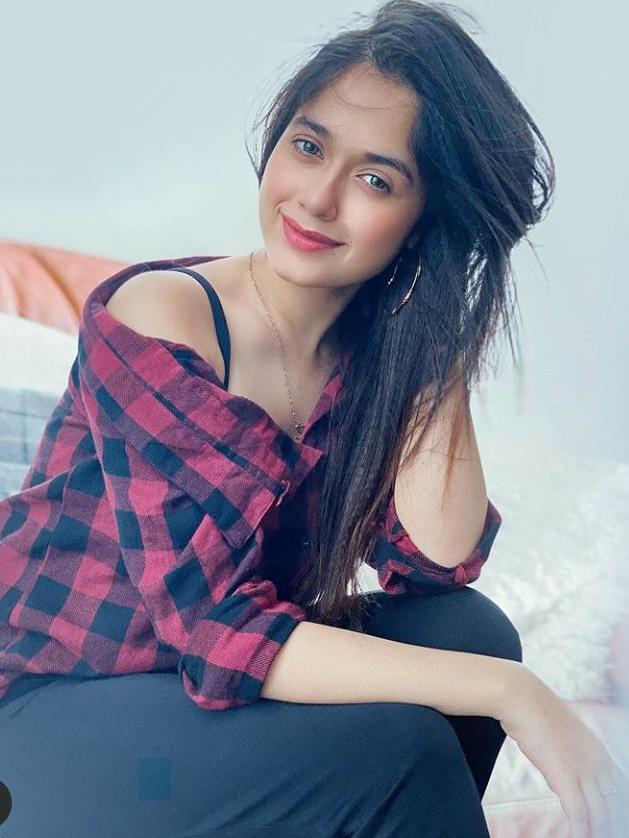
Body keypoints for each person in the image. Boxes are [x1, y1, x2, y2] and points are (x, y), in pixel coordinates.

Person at [0, 1, 627, 836]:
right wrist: (515, 695)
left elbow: (435, 565)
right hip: (48, 712)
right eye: (308, 146)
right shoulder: (161, 316)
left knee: (468, 634)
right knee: (410, 744)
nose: (318, 199)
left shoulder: (374, 349)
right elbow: (214, 628)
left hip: (199, 701)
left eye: (376, 181)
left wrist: (438, 328)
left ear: (424, 221)